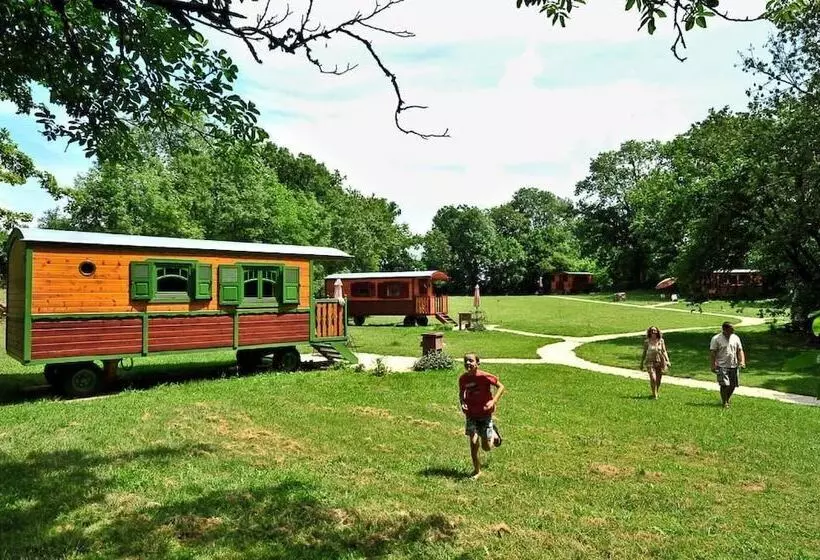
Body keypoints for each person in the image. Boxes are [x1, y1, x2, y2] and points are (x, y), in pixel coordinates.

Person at [459, 353, 505, 479]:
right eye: (466, 361)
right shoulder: (463, 379)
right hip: (471, 414)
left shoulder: (484, 376)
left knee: (486, 447)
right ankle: (477, 471)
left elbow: (501, 387)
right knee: (473, 442)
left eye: (471, 361)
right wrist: (463, 403)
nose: (468, 363)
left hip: (485, 413)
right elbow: (461, 393)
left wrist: (493, 401)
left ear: (477, 363)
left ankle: (494, 434)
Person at [710, 322, 746, 408]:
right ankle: (724, 402)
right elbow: (712, 353)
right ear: (724, 329)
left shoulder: (736, 338)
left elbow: (740, 350)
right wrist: (713, 365)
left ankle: (727, 399)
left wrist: (742, 361)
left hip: (734, 365)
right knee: (724, 385)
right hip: (721, 365)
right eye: (731, 329)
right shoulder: (716, 339)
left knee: (733, 385)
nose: (733, 331)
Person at [639, 326, 670, 399]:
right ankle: (654, 394)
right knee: (653, 378)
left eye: (655, 330)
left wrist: (667, 360)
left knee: (658, 379)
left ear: (657, 332)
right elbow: (644, 352)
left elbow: (664, 351)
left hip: (659, 361)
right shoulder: (647, 341)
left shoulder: (661, 341)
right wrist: (641, 362)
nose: (653, 332)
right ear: (649, 332)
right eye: (652, 330)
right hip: (649, 361)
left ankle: (656, 391)